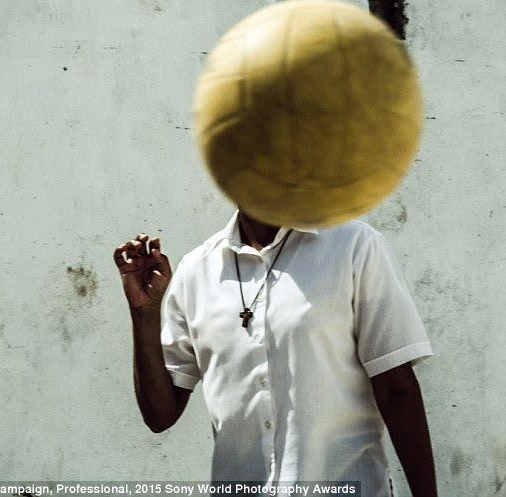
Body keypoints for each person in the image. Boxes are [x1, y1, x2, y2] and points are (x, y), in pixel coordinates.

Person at [113, 209, 437, 497]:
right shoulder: (196, 270)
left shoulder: (353, 246)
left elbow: (397, 390)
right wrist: (144, 314)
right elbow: (160, 415)